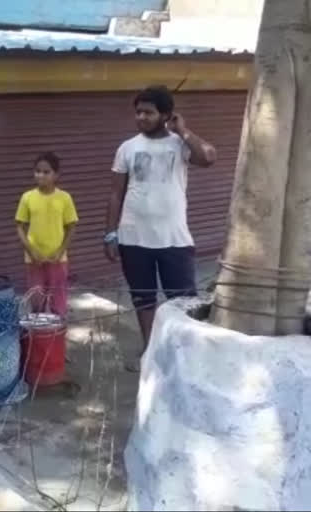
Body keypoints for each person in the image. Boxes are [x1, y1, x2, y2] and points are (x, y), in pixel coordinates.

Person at [105, 85, 216, 357]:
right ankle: (150, 350)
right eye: (138, 112)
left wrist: (183, 131)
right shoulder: (127, 148)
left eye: (149, 112)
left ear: (165, 114)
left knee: (183, 301)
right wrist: (110, 233)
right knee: (143, 299)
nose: (141, 117)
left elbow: (208, 157)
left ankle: (184, 352)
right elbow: (116, 193)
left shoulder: (180, 144)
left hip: (173, 239)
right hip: (133, 238)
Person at [16, 152, 78, 316]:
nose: (40, 175)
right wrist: (31, 251)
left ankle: (58, 338)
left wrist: (60, 251)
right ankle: (38, 339)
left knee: (58, 304)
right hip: (34, 260)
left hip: (57, 260)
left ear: (56, 175)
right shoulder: (27, 198)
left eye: (46, 172)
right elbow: (19, 226)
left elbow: (71, 227)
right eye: (37, 171)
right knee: (37, 304)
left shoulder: (64, 198)